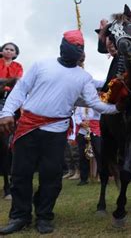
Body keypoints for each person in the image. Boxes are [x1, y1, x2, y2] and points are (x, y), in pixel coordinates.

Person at [0, 30, 119, 235]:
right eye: (72, 44)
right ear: (62, 45)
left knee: (51, 175)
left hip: (56, 131)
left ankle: (44, 216)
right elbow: (20, 90)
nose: (76, 49)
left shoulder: (83, 77)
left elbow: (94, 103)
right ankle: (20, 216)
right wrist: (6, 112)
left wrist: (119, 108)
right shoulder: (41, 65)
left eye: (80, 46)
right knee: (20, 173)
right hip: (28, 126)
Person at [0, 42, 22, 200]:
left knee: (10, 146)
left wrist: (5, 83)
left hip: (11, 103)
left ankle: (11, 183)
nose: (8, 51)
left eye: (11, 49)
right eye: (6, 48)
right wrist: (8, 82)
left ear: (15, 53)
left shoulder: (18, 66)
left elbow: (18, 83)